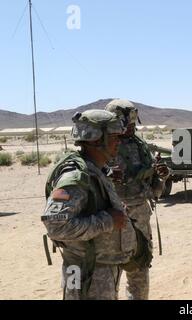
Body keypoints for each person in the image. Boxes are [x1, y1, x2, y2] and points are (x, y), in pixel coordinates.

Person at [41, 109, 137, 300]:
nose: (119, 142)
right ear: (95, 140)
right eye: (114, 137)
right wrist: (108, 220)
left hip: (97, 270)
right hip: (88, 273)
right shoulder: (76, 177)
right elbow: (56, 226)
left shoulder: (96, 170)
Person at [105, 99, 169, 300]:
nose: (132, 125)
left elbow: (154, 187)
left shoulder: (139, 145)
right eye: (128, 121)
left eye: (134, 121)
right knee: (109, 273)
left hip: (140, 214)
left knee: (139, 269)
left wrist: (161, 175)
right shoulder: (102, 145)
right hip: (110, 216)